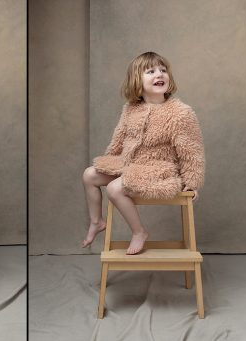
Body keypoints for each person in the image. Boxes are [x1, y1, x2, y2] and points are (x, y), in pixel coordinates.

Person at [81, 51, 205, 255]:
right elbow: (118, 140)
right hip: (129, 163)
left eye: (163, 70)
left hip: (159, 168)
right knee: (89, 175)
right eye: (151, 71)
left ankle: (139, 232)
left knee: (114, 188)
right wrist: (110, 161)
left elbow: (192, 151)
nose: (159, 74)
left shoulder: (180, 113)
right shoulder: (131, 108)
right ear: (136, 80)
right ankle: (96, 222)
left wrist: (192, 183)